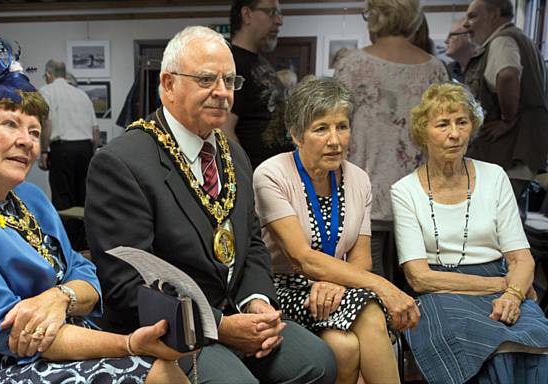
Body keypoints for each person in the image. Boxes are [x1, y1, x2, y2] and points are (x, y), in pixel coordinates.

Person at [0, 35, 188, 384]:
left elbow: (88, 275)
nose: (27, 140)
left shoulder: (31, 198)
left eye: (34, 131)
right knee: (157, 371)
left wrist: (62, 297)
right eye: (10, 124)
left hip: (58, 343)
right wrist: (129, 344)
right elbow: (11, 332)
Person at [85, 26, 336, 384]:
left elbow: (250, 243)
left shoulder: (232, 153)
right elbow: (127, 286)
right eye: (206, 79)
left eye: (230, 81)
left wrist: (258, 304)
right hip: (170, 331)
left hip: (239, 312)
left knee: (319, 361)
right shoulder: (122, 162)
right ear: (168, 84)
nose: (222, 93)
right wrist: (219, 326)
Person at [254, 76, 419, 384]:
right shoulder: (272, 174)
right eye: (321, 128)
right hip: (283, 289)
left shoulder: (358, 178)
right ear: (296, 135)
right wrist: (384, 287)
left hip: (339, 288)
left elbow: (362, 259)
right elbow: (302, 258)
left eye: (342, 126)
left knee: (344, 345)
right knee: (369, 309)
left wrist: (338, 285)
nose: (335, 140)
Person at [391, 83, 548, 384]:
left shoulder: (494, 176)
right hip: (440, 289)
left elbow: (522, 258)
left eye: (462, 122)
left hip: (505, 289)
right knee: (484, 347)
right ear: (423, 133)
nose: (455, 134)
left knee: (537, 337)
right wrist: (505, 284)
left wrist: (513, 296)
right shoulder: (405, 191)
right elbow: (419, 278)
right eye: (443, 124)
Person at [331, 0, 448, 276]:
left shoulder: (352, 65)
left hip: (363, 196)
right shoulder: (435, 69)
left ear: (375, 15)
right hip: (418, 197)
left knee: (370, 288)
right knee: (416, 286)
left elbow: (335, 129)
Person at [463, 0, 548, 201]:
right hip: (517, 154)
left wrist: (507, 120)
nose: (467, 24)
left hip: (508, 154)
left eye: (473, 15)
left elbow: (508, 75)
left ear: (495, 14)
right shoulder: (524, 41)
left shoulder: (502, 40)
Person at [222, 0, 294, 168]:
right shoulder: (231, 62)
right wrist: (247, 178)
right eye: (271, 12)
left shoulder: (259, 61)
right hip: (255, 183)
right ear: (247, 14)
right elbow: (223, 130)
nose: (279, 21)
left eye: (279, 14)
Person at [38, 59, 99, 250]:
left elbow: (46, 123)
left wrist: (44, 150)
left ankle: (67, 247)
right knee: (83, 198)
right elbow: (95, 130)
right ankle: (84, 244)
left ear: (48, 74)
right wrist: (93, 152)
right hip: (85, 148)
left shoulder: (46, 91)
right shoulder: (82, 95)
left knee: (63, 200)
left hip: (62, 149)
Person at [445, 18, 475, 83]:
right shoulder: (448, 70)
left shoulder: (485, 69)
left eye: (451, 36)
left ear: (468, 36)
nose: (446, 41)